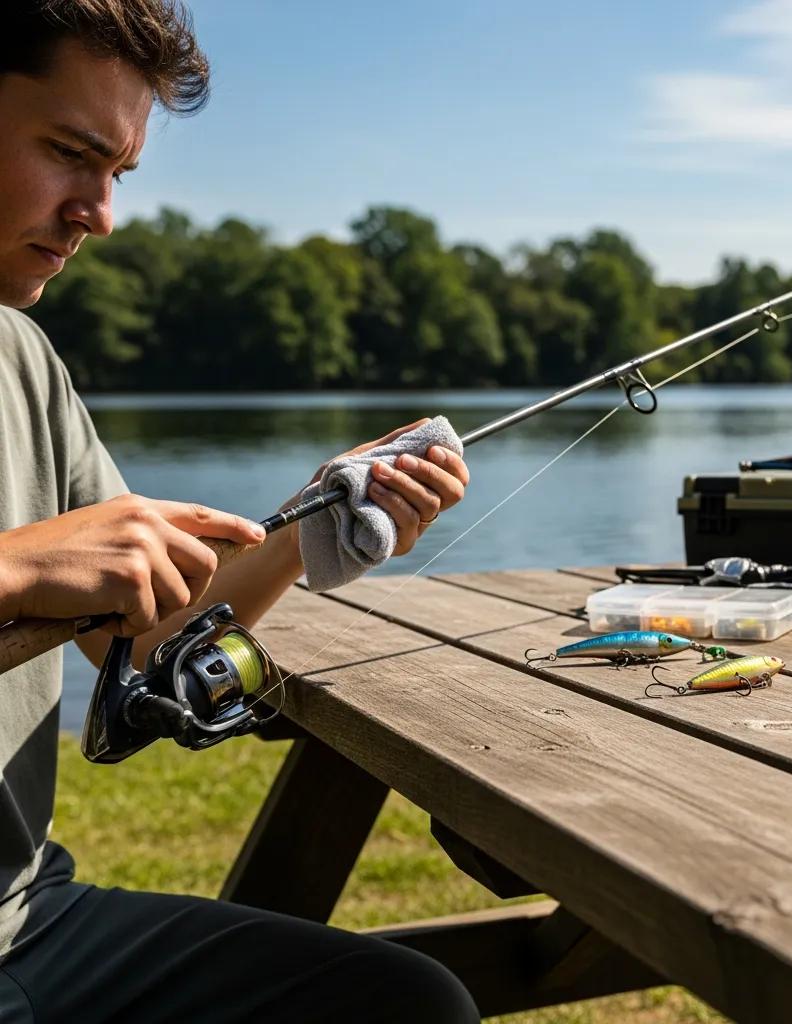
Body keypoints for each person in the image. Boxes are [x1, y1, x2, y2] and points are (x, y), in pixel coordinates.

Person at [0, 2, 479, 1021]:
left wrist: (309, 526)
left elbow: (145, 627)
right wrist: (14, 564)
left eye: (118, 172)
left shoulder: (22, 359)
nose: (100, 211)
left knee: (407, 1005)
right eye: (70, 152)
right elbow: (36, 567)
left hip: (26, 919)